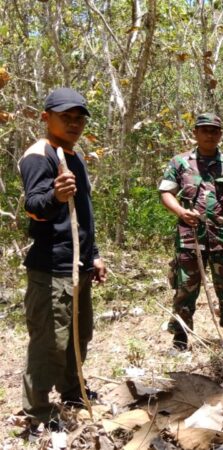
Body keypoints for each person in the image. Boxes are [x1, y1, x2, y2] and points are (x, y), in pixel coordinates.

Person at [18, 87, 107, 433]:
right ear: (46, 118)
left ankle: (73, 392)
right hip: (52, 266)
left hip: (78, 265)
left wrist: (94, 255)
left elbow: (84, 215)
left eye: (78, 118)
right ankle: (38, 410)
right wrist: (55, 195)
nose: (73, 124)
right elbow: (34, 206)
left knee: (79, 333)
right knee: (50, 341)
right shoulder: (40, 155)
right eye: (65, 117)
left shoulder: (73, 154)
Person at [158, 113, 223, 350]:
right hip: (190, 237)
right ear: (195, 133)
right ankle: (180, 337)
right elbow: (166, 192)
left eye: (214, 130)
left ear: (220, 134)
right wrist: (180, 211)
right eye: (205, 130)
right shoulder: (180, 162)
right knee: (185, 287)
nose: (210, 134)